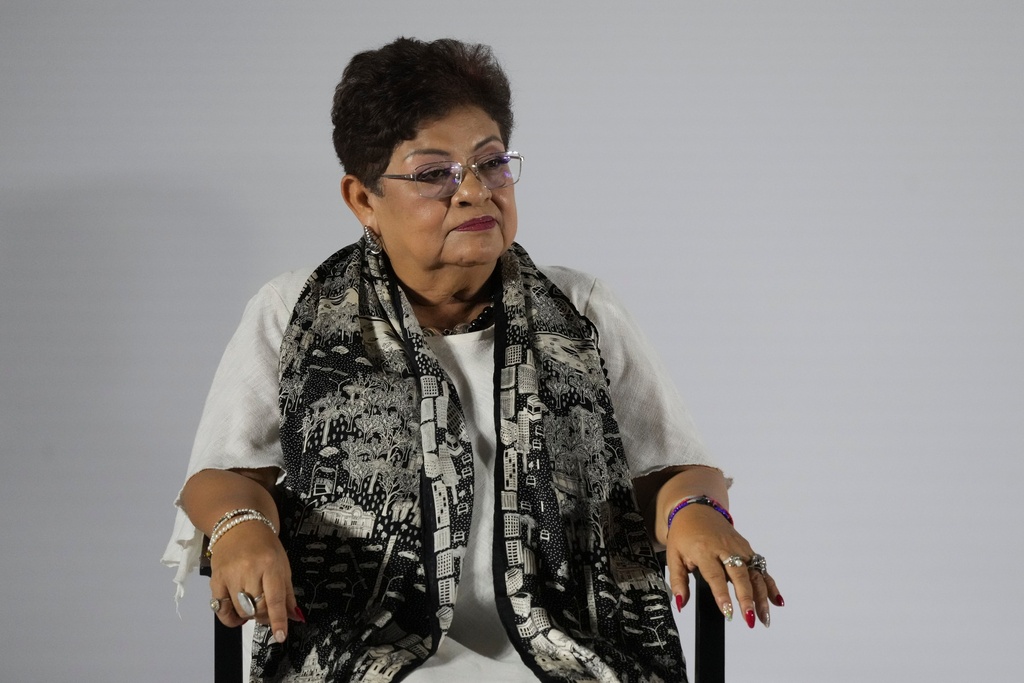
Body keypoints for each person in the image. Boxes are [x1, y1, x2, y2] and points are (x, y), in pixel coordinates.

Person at [163, 37, 783, 682]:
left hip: (573, 645)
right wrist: (240, 526)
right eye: (434, 173)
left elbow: (672, 469)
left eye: (491, 164)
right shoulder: (293, 310)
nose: (474, 192)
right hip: (361, 648)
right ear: (363, 199)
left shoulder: (581, 310)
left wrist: (697, 515)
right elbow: (221, 478)